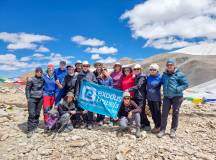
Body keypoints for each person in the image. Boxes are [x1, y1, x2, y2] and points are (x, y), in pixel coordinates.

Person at [157, 59, 189, 138]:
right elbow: (160, 82)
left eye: (171, 65)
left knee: (175, 113)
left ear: (174, 66)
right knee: (164, 113)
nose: (169, 66)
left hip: (177, 97)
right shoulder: (164, 75)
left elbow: (186, 84)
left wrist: (177, 89)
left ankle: (173, 130)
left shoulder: (179, 74)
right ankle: (162, 130)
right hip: (167, 97)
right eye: (168, 65)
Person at [127, 64, 151, 131]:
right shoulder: (137, 76)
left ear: (140, 69)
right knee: (138, 111)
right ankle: (142, 123)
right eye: (135, 69)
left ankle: (147, 124)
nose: (136, 70)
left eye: (138, 69)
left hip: (140, 97)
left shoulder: (142, 77)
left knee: (141, 111)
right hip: (137, 96)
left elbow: (138, 86)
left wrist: (128, 89)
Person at [75, 60, 97, 129]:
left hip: (90, 94)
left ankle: (90, 122)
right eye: (84, 66)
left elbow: (95, 82)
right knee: (83, 108)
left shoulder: (91, 74)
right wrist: (77, 94)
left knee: (90, 108)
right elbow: (77, 85)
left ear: (88, 66)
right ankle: (85, 122)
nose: (85, 67)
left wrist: (91, 83)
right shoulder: (79, 75)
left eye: (86, 66)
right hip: (82, 94)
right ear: (82, 67)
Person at [25, 67, 44, 138]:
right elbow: (27, 89)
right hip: (32, 98)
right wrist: (28, 98)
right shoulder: (31, 79)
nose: (39, 73)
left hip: (40, 98)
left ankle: (35, 127)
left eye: (40, 72)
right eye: (38, 72)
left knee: (37, 113)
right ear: (35, 72)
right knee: (31, 113)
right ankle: (30, 130)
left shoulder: (43, 79)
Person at [147, 64, 162, 134]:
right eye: (151, 70)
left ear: (157, 70)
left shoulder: (160, 78)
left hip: (156, 99)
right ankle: (156, 126)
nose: (152, 71)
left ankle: (159, 126)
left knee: (157, 113)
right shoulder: (148, 77)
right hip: (150, 98)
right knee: (152, 113)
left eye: (154, 70)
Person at [43, 64, 56, 130]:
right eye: (49, 68)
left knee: (51, 109)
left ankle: (50, 122)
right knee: (46, 109)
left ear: (53, 69)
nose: (50, 69)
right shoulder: (44, 76)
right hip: (46, 94)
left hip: (53, 94)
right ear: (47, 69)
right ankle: (46, 124)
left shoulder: (55, 76)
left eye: (51, 68)